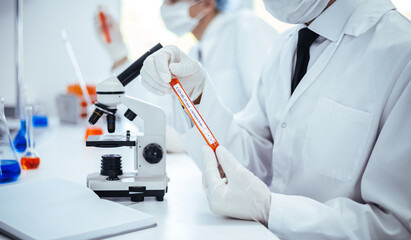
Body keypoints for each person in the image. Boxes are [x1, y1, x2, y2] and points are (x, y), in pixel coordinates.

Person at [140, 0, 411, 238]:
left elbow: (396, 228)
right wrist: (196, 96)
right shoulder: (289, 44)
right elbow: (251, 159)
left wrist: (272, 209)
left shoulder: (401, 53)